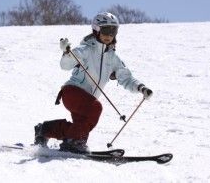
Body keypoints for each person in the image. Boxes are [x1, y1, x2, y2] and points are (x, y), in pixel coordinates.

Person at [34, 12, 152, 153]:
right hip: (72, 92)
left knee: (80, 128)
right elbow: (65, 65)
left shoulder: (113, 58)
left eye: (113, 31)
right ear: (96, 30)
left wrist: (141, 88)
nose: (109, 35)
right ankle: (73, 143)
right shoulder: (86, 49)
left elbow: (126, 77)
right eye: (106, 30)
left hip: (87, 100)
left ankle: (44, 130)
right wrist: (66, 52)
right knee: (95, 109)